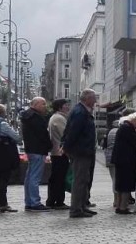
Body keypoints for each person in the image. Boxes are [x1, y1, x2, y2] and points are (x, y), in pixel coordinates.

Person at [62, 89, 98, 218]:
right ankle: (76, 209)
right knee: (79, 180)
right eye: (94, 98)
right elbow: (72, 132)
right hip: (81, 151)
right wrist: (66, 147)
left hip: (85, 150)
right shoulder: (80, 112)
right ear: (86, 99)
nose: (95, 100)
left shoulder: (82, 111)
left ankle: (82, 206)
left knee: (84, 179)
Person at [0, 104, 22, 213]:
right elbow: (17, 138)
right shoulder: (2, 124)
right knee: (4, 178)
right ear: (2, 113)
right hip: (5, 154)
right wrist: (20, 130)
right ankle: (3, 203)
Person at [20, 97, 52, 212]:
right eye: (43, 104)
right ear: (36, 104)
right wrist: (49, 145)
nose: (45, 106)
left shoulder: (27, 116)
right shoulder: (36, 117)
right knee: (35, 177)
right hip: (38, 149)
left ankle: (29, 201)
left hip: (31, 149)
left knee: (29, 176)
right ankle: (35, 202)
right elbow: (42, 134)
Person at [111, 112, 136, 215]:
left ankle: (120, 205)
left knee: (121, 184)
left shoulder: (124, 127)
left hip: (121, 160)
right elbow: (135, 141)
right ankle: (123, 206)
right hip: (126, 160)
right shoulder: (127, 128)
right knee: (125, 184)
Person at [47, 99, 70, 210]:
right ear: (60, 107)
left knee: (56, 177)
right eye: (66, 105)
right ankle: (58, 201)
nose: (68, 107)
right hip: (59, 152)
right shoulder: (59, 118)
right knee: (59, 178)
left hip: (56, 152)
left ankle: (53, 200)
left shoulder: (56, 117)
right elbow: (64, 134)